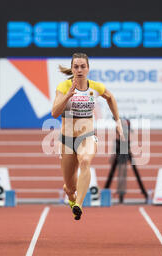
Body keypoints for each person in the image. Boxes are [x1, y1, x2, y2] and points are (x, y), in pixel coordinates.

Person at [51, 53, 124, 220]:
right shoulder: (63, 87)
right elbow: (54, 113)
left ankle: (79, 204)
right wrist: (67, 96)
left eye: (83, 66)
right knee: (70, 187)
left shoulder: (96, 87)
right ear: (72, 69)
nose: (79, 70)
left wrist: (117, 121)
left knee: (85, 161)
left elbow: (110, 97)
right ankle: (71, 196)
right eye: (76, 67)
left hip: (87, 136)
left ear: (88, 69)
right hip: (66, 140)